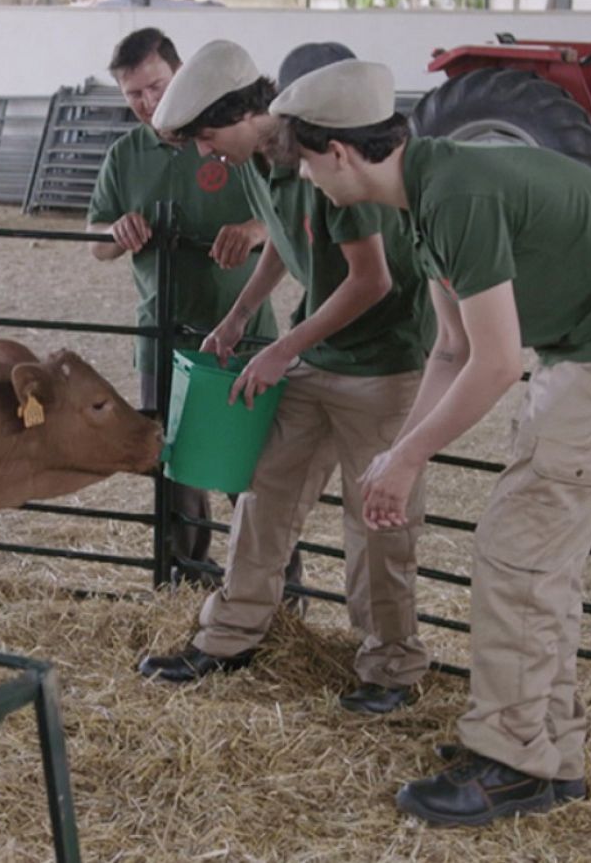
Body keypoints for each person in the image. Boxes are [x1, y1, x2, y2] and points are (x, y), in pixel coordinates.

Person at [271, 59, 591, 825]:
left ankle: (513, 763)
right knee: (537, 554)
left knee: (519, 547)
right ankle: (544, 747)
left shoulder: (453, 193)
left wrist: (404, 457)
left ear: (337, 153)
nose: (306, 179)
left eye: (304, 161)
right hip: (588, 342)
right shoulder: (430, 189)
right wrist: (399, 454)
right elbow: (454, 349)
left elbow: (499, 363)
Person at [135, 40, 434, 717]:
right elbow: (280, 239)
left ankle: (391, 666)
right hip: (318, 357)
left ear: (246, 111)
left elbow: (372, 279)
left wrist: (282, 348)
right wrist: (243, 315)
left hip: (383, 366)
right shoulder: (257, 163)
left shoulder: (330, 155)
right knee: (265, 495)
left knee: (378, 519)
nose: (208, 151)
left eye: (210, 134)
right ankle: (229, 635)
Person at [88, 28, 282, 578]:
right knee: (173, 467)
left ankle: (268, 580)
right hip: (161, 333)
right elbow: (95, 239)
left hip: (241, 332)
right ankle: (185, 575)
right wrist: (116, 230)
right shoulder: (126, 154)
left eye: (157, 87)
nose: (149, 104)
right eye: (135, 95)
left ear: (181, 78)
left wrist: (249, 231)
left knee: (248, 465)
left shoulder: (237, 140)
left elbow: (284, 219)